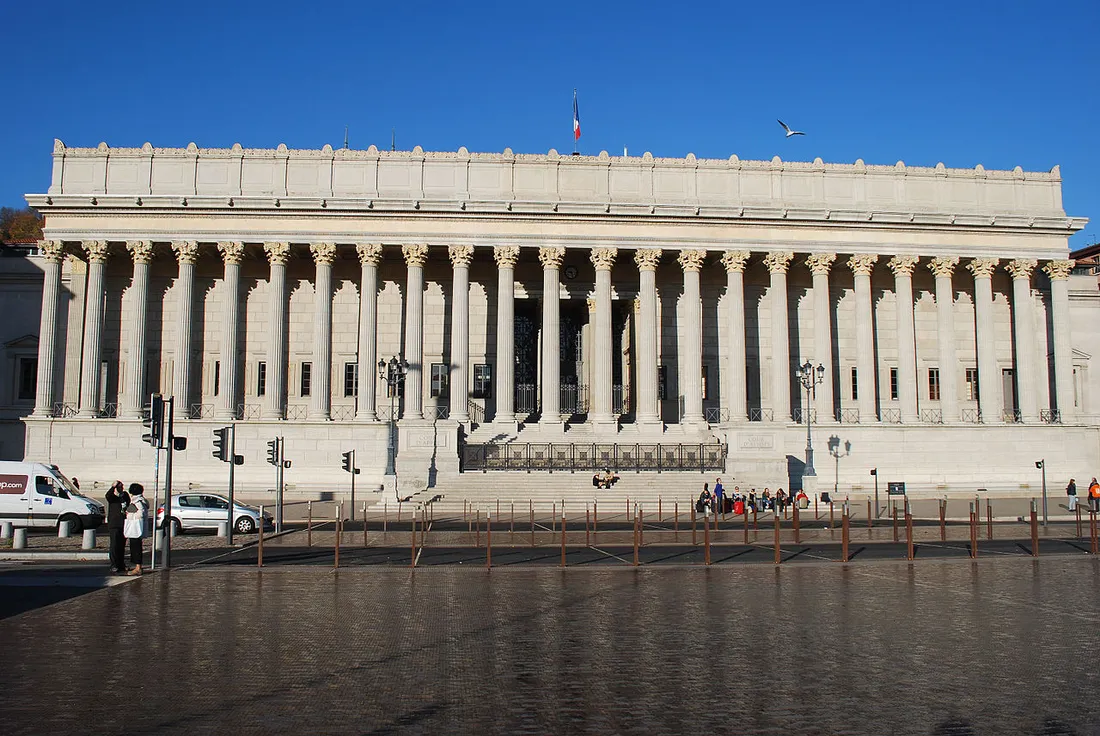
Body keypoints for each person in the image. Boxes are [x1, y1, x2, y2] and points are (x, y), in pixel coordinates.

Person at [123, 483, 149, 576]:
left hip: (135, 527)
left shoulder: (137, 501)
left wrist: (132, 515)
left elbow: (141, 513)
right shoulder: (140, 500)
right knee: (136, 547)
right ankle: (137, 566)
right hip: (138, 527)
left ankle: (138, 567)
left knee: (136, 548)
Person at [105, 480, 130, 574]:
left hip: (123, 522)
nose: (121, 488)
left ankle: (121, 564)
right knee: (114, 545)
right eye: (119, 487)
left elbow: (128, 503)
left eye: (122, 486)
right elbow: (108, 496)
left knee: (121, 545)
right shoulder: (112, 497)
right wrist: (113, 487)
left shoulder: (125, 495)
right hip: (114, 524)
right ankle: (114, 565)